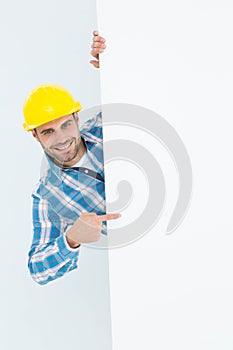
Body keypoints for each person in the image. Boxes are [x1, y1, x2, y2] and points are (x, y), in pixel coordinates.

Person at [23, 31, 121, 285]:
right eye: (48, 132)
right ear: (35, 136)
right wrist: (71, 239)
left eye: (66, 125)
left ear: (77, 117)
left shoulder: (105, 125)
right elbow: (37, 271)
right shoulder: (47, 196)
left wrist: (114, 64)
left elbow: (147, 89)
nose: (62, 138)